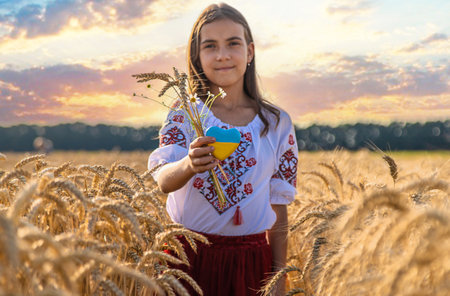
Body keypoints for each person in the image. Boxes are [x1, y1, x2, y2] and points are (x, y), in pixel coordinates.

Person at [148, 3, 298, 295]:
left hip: (253, 262)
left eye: (233, 43)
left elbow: (279, 206)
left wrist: (279, 274)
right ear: (198, 56)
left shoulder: (276, 123)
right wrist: (189, 164)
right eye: (210, 46)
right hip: (187, 258)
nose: (222, 55)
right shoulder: (186, 114)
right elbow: (163, 180)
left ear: (250, 52)